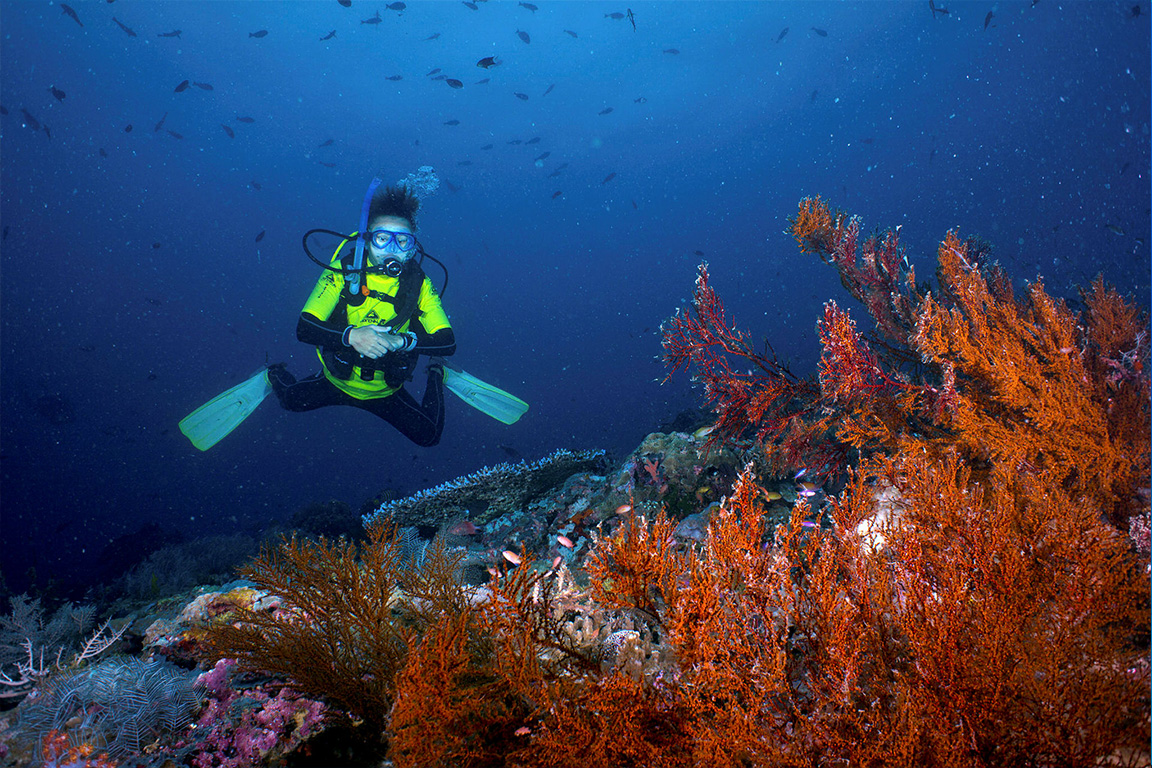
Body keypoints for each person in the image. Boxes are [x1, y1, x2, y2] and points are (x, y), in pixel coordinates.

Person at [267, 184, 456, 446]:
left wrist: (401, 341)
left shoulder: (420, 284)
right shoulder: (341, 271)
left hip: (385, 392)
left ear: (412, 247)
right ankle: (273, 372)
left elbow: (447, 342)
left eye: (403, 241)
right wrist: (352, 336)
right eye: (382, 238)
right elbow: (305, 328)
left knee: (429, 436)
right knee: (289, 400)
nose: (392, 249)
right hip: (336, 381)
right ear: (366, 240)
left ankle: (436, 373)